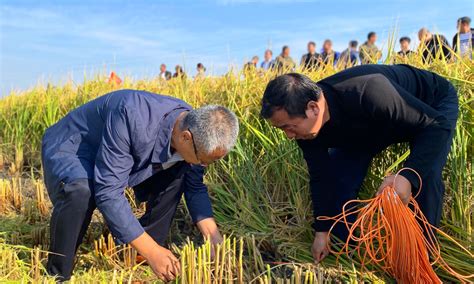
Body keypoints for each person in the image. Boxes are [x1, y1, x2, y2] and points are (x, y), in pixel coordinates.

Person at [260, 64, 458, 264]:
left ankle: (421, 262)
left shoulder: (368, 90)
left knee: (424, 176)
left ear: (313, 108)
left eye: (289, 126)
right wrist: (322, 230)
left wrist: (408, 175)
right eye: (282, 130)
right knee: (340, 181)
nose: (289, 136)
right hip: (371, 125)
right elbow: (321, 176)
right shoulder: (307, 131)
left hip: (430, 106)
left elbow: (436, 125)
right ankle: (346, 254)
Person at [41, 90, 240, 281]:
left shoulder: (195, 129)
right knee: (81, 191)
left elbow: (194, 187)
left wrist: (214, 239)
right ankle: (57, 273)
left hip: (116, 156)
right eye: (203, 160)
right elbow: (108, 192)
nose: (203, 166)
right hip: (74, 148)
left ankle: (136, 251)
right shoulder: (131, 114)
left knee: (180, 174)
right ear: (185, 137)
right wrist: (153, 251)